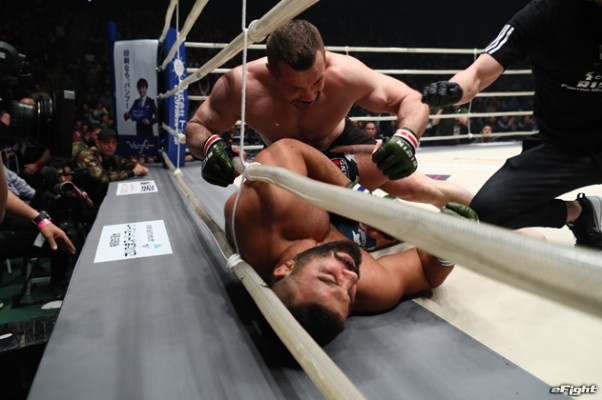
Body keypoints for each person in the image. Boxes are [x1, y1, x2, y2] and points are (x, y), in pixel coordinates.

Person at [187, 19, 473, 208]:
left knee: (416, 187)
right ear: (272, 73)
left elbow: (411, 99)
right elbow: (198, 125)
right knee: (276, 214)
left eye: (317, 81)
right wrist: (210, 147)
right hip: (286, 160)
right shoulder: (241, 86)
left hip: (341, 143)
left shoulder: (345, 73)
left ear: (324, 61)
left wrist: (406, 138)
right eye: (295, 88)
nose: (309, 96)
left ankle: (490, 214)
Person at [224, 139, 478, 344]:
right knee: (401, 226)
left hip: (313, 187)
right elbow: (425, 272)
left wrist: (361, 201)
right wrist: (447, 247)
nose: (351, 278)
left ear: (285, 268)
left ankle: (431, 192)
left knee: (382, 164)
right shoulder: (358, 285)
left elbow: (290, 147)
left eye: (328, 278)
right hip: (336, 235)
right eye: (349, 295)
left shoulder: (274, 207)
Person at [421, 0, 602, 249]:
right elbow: (479, 72)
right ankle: (580, 213)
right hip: (559, 147)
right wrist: (454, 89)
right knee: (488, 212)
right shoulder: (545, 11)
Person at [75, 128, 148, 204]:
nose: (110, 146)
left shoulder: (111, 157)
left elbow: (127, 163)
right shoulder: (88, 155)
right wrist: (132, 172)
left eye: (114, 143)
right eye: (106, 142)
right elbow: (102, 177)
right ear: (97, 143)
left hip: (104, 197)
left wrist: (137, 165)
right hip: (87, 201)